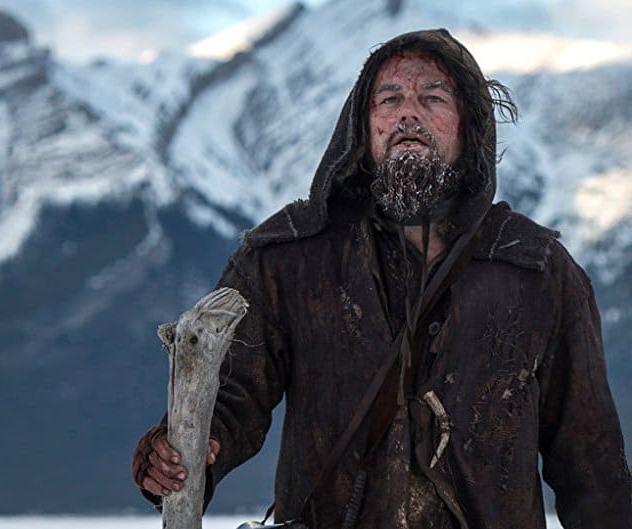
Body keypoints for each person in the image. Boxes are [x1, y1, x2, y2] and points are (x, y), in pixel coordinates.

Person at [131, 29, 632, 529]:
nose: (408, 114)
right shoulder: (291, 258)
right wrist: (175, 455)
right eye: (389, 99)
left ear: (468, 126)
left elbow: (591, 462)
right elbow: (227, 400)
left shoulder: (535, 270)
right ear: (363, 127)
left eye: (433, 98)